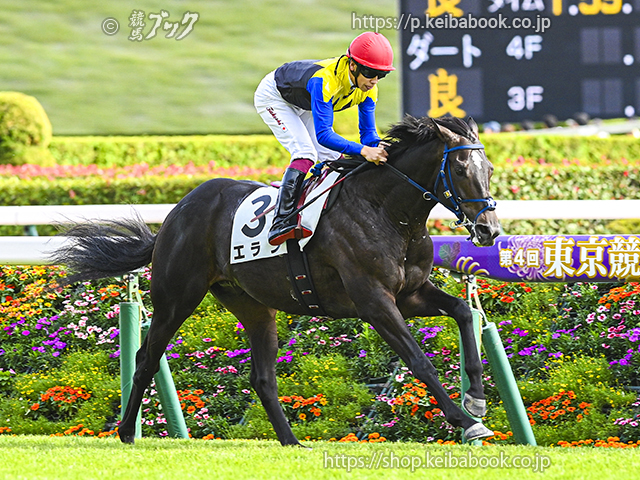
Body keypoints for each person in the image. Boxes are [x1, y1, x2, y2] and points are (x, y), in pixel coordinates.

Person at [254, 31, 394, 246]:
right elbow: (324, 135)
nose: (373, 81)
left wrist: (382, 147)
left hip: (304, 101)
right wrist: (364, 151)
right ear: (352, 65)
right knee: (305, 153)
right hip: (275, 97)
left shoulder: (369, 89)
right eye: (369, 72)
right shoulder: (325, 81)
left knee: (334, 158)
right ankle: (281, 221)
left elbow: (368, 136)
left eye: (380, 75)